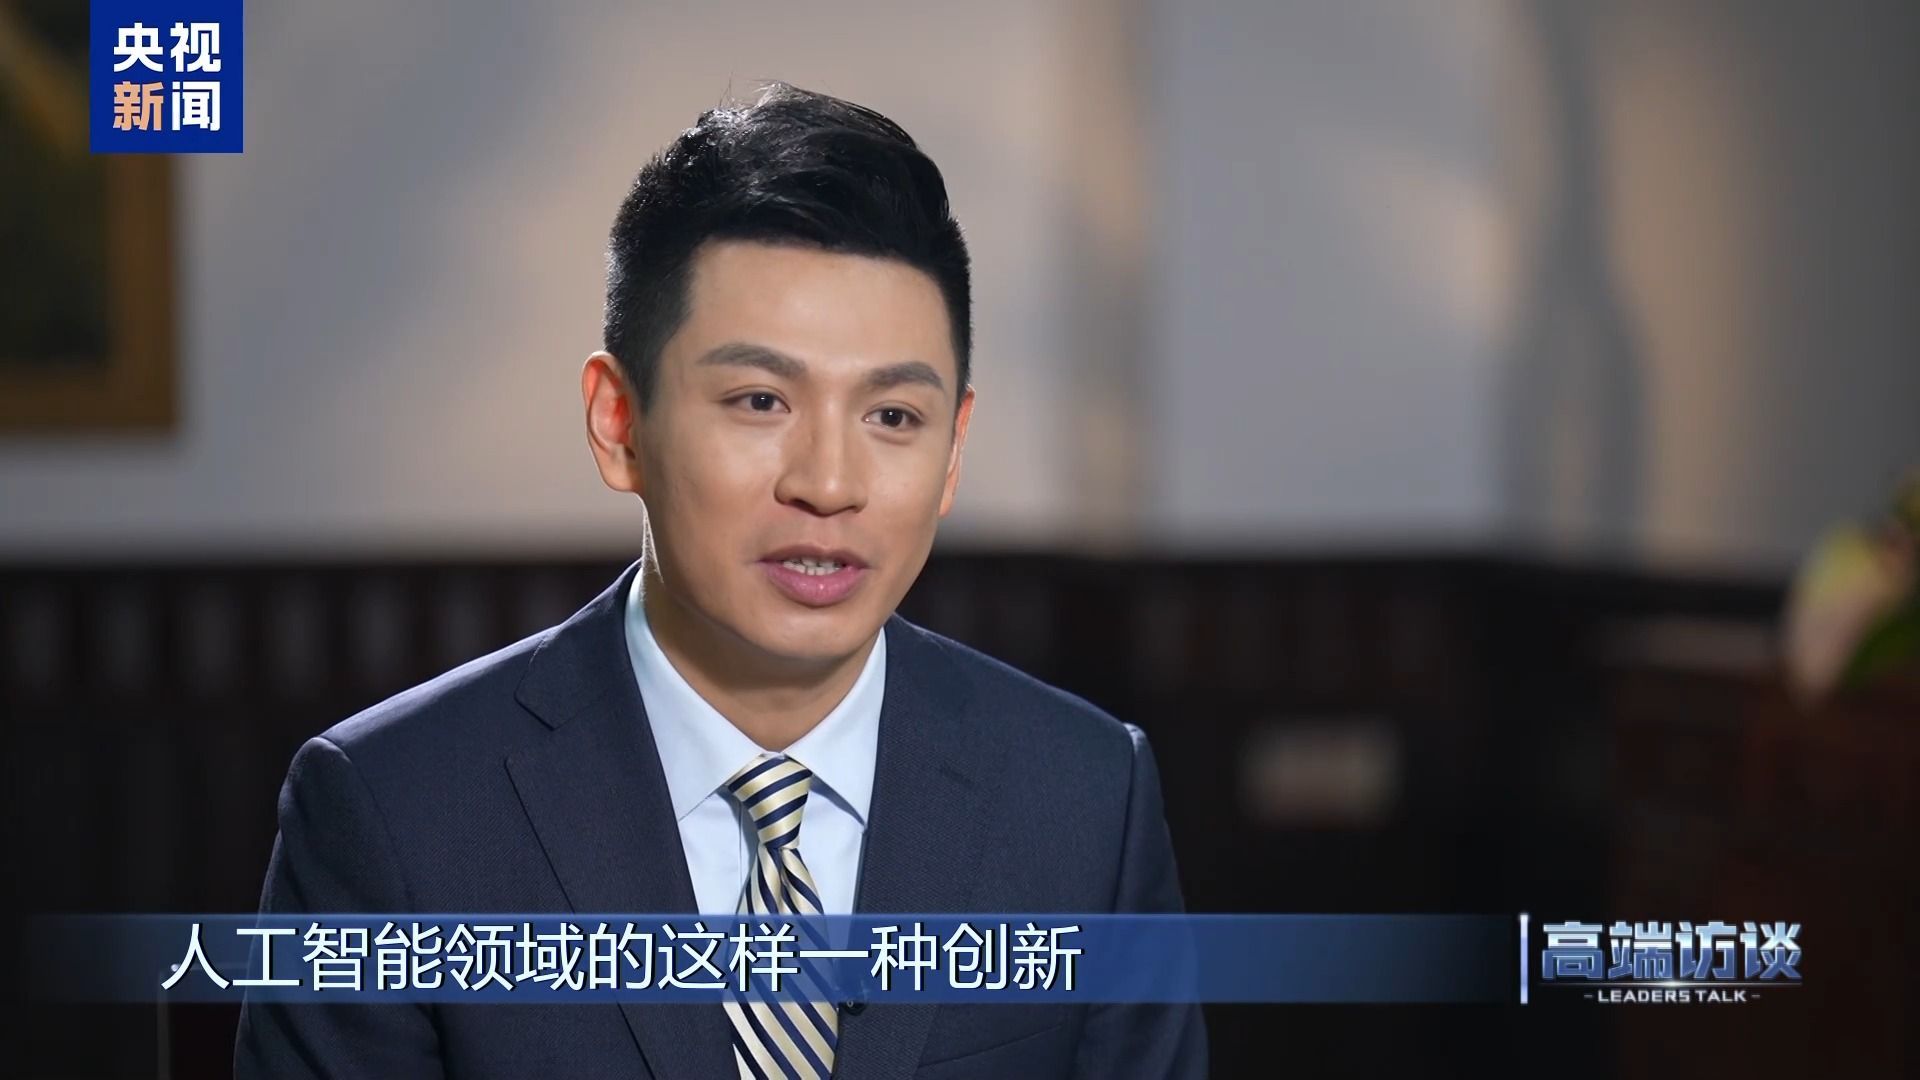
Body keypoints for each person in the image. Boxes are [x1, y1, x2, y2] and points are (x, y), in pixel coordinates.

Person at [234, 81, 1205, 1080]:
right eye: (759, 400)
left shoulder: (1084, 795)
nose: (829, 483)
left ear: (953, 451)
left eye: (893, 417)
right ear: (619, 423)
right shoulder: (396, 807)